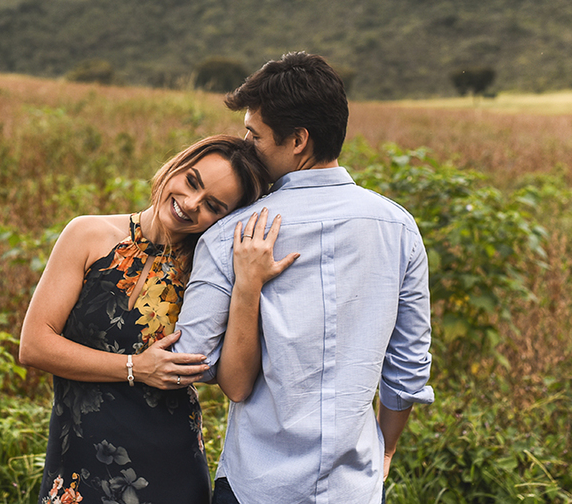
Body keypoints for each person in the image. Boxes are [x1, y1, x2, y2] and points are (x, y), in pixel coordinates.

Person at [176, 52, 435, 504]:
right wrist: (386, 447)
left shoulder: (227, 235)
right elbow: (408, 370)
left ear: (298, 140)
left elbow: (191, 356)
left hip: (255, 485)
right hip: (353, 488)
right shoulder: (398, 228)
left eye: (255, 134)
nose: (247, 145)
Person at [19, 135, 295, 504]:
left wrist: (247, 286)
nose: (191, 204)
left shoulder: (209, 272)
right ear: (176, 166)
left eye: (213, 205)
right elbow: (35, 344)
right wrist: (136, 367)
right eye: (192, 181)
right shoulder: (88, 235)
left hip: (170, 469)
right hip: (78, 464)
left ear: (226, 219)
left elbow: (238, 386)